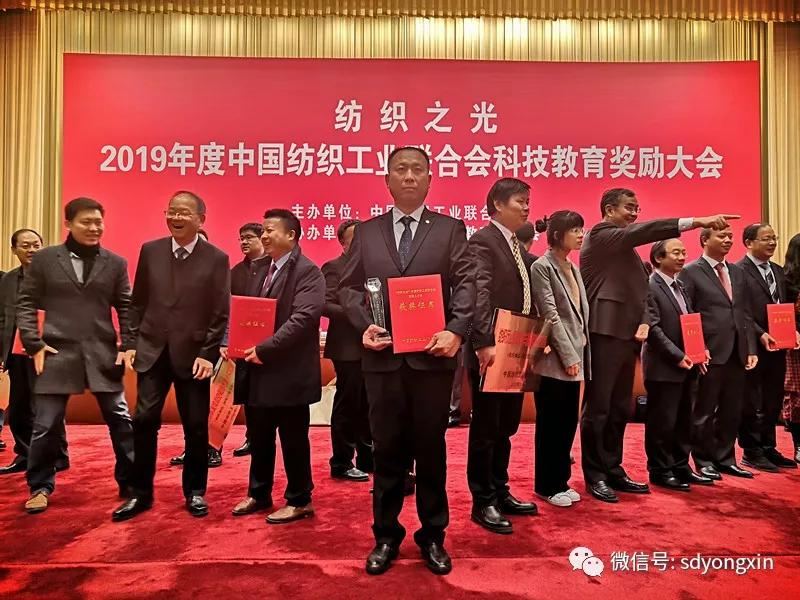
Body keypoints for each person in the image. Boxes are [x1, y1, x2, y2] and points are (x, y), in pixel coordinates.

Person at [339, 146, 474, 576]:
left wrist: (456, 330)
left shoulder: (450, 229)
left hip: (432, 360)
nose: (410, 176)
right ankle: (385, 535)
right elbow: (347, 287)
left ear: (431, 179)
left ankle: (433, 535)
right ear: (388, 180)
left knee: (431, 450)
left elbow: (467, 283)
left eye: (418, 169)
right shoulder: (367, 232)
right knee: (386, 451)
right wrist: (363, 325)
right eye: (401, 169)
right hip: (382, 360)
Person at [579, 187, 737, 503]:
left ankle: (613, 468)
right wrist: (696, 222)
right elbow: (642, 232)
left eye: (637, 207)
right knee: (599, 409)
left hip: (628, 337)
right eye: (629, 207)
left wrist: (642, 320)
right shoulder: (600, 234)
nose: (634, 213)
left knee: (619, 408)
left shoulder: (627, 252)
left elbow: (641, 293)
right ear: (609, 210)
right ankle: (595, 475)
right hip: (603, 333)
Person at [113, 190, 230, 521]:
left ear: (200, 219)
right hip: (152, 351)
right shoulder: (151, 251)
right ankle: (140, 493)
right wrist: (130, 342)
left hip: (193, 357)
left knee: (195, 426)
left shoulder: (216, 258)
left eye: (184, 213)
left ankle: (195, 491)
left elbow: (219, 312)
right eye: (172, 211)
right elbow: (137, 302)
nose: (176, 218)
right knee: (144, 420)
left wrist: (208, 353)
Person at [17, 198, 135, 513]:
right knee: (46, 424)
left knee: (121, 419)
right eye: (86, 222)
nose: (94, 228)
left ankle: (130, 482)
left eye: (98, 222)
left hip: (103, 353)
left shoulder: (116, 263)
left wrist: (128, 345)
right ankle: (39, 486)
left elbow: (126, 306)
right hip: (57, 352)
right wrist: (33, 343)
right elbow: (26, 302)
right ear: (68, 223)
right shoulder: (45, 260)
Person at [229, 209, 324, 523]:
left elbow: (303, 319)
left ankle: (300, 499)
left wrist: (265, 349)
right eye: (264, 231)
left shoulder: (308, 272)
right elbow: (248, 314)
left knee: (293, 439)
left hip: (288, 372)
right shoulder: (259, 269)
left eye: (270, 230)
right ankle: (259, 493)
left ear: (291, 235)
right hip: (257, 369)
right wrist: (235, 343)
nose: (264, 236)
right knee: (259, 436)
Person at [466, 177, 538, 535]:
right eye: (519, 201)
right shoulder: (483, 241)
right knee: (486, 427)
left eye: (527, 202)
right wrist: (482, 341)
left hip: (517, 344)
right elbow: (478, 292)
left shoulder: (513, 244)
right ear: (497, 204)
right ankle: (483, 501)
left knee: (506, 425)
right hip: (493, 347)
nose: (526, 208)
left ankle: (500, 489)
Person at [678, 226, 758, 480]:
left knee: (731, 410)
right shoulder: (690, 271)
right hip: (709, 352)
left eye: (730, 236)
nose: (727, 240)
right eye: (721, 236)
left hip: (737, 350)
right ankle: (703, 460)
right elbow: (687, 314)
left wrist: (750, 347)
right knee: (704, 410)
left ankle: (726, 458)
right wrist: (696, 350)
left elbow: (744, 313)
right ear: (704, 240)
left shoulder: (737, 271)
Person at [530, 211, 590, 507]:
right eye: (575, 230)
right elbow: (550, 314)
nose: (581, 235)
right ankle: (547, 485)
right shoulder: (542, 266)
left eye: (582, 229)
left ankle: (561, 481)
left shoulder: (572, 266)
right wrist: (568, 355)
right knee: (551, 425)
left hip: (575, 356)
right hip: (554, 359)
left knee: (567, 424)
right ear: (557, 235)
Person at [642, 239, 713, 491]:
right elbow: (653, 328)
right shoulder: (650, 285)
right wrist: (677, 355)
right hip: (664, 366)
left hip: (688, 364)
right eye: (676, 253)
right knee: (663, 423)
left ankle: (681, 466)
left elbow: (691, 323)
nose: (683, 256)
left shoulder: (680, 285)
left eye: (684, 252)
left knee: (684, 421)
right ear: (659, 258)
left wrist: (700, 350)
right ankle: (661, 470)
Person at [0, 229, 69, 475]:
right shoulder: (7, 280)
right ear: (14, 250)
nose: (31, 250)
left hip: (47, 352)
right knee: (19, 410)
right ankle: (26, 454)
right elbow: (3, 318)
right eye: (25, 245)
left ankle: (58, 457)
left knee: (48, 408)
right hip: (17, 353)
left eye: (36, 245)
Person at [737, 223, 798, 470]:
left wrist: (792, 329)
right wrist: (760, 334)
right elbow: (740, 312)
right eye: (766, 238)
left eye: (774, 238)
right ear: (749, 242)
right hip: (753, 345)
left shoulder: (778, 271)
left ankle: (768, 446)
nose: (772, 242)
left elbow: (782, 307)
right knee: (752, 400)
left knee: (773, 398)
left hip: (779, 345)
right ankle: (751, 451)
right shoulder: (738, 271)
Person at [322, 219, 373, 482]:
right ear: (342, 242)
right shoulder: (334, 267)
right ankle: (341, 461)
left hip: (373, 347)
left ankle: (367, 457)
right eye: (355, 238)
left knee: (368, 404)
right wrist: (360, 316)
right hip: (347, 348)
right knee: (347, 404)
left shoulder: (372, 268)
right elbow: (324, 304)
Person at [230, 222, 268, 458]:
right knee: (248, 392)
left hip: (270, 342)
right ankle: (251, 436)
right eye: (241, 238)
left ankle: (265, 436)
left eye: (248, 238)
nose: (244, 242)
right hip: (243, 343)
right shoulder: (236, 272)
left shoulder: (272, 267)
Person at [781, 233, 800, 464]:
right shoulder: (786, 281)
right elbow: (781, 313)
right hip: (796, 343)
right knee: (797, 397)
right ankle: (798, 444)